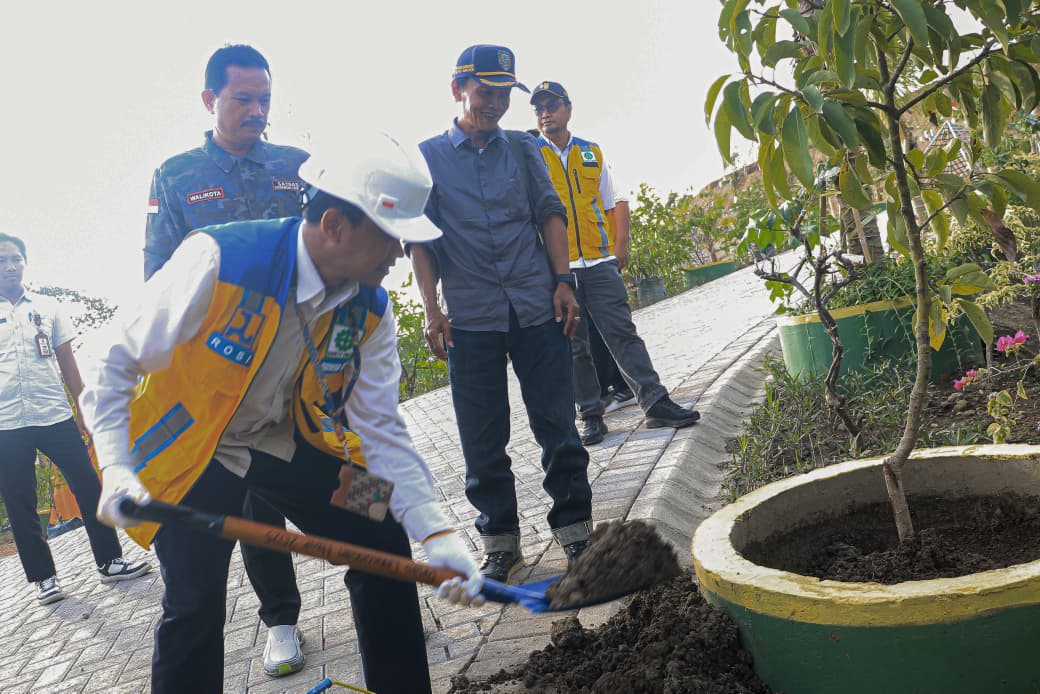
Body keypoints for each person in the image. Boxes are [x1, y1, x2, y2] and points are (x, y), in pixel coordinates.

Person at [80, 132, 482, 694]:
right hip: (192, 453)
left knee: (383, 521)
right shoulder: (219, 260)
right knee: (194, 604)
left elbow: (382, 428)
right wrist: (118, 467)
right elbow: (112, 362)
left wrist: (435, 531)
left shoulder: (370, 307)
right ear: (335, 226)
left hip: (286, 443)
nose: (400, 254)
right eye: (393, 237)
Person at [143, 44, 311, 676]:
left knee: (354, 495)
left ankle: (356, 601)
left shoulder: (296, 166)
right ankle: (278, 621)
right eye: (243, 98)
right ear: (211, 99)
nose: (257, 110)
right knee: (246, 505)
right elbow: (159, 274)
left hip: (298, 364)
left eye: (265, 98)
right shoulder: (177, 175)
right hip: (222, 374)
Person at [409, 45, 593, 584]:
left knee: (557, 424)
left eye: (502, 94)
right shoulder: (427, 157)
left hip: (537, 305)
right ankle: (501, 541)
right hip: (469, 318)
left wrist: (562, 282)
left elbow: (550, 215)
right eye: (484, 92)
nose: (494, 104)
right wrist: (431, 309)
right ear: (457, 90)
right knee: (482, 439)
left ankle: (577, 531)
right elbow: (421, 241)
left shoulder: (522, 147)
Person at [531, 81, 699, 444]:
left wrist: (618, 248)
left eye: (552, 105)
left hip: (599, 262)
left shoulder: (591, 153)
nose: (545, 113)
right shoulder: (531, 156)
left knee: (624, 334)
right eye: (539, 108)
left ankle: (655, 403)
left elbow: (611, 202)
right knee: (576, 345)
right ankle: (590, 415)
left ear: (568, 108)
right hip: (560, 270)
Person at [0, 233, 151, 605]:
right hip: (6, 423)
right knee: (20, 501)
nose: (10, 265)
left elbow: (68, 364)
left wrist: (84, 412)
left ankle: (110, 561)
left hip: (55, 414)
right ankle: (44, 579)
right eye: (3, 260)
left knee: (88, 485)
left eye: (16, 258)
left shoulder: (47, 308)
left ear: (25, 262)